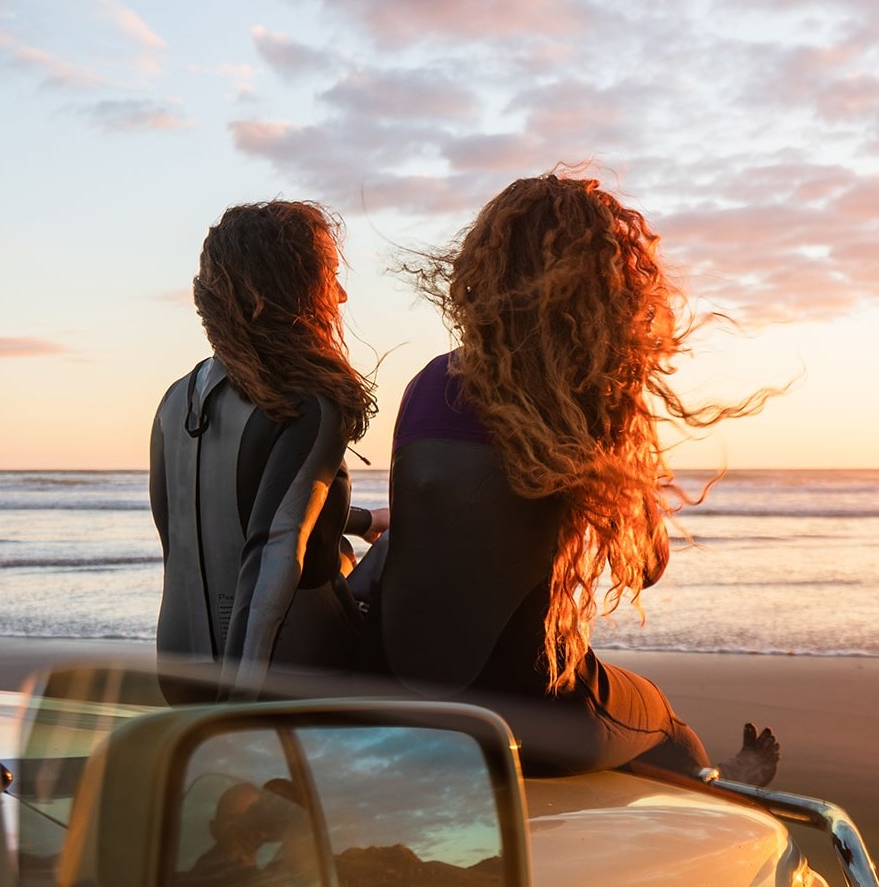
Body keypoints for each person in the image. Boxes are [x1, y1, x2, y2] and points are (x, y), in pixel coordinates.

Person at [375, 171, 779, 781]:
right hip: (534, 716)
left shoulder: (428, 382)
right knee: (666, 724)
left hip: (404, 688)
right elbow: (646, 568)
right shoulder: (584, 403)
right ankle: (726, 788)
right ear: (605, 288)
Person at [151, 200, 387, 694]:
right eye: (330, 277)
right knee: (407, 553)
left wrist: (365, 521)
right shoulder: (308, 399)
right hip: (290, 678)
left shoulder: (175, 399)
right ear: (291, 289)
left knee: (353, 549)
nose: (340, 296)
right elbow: (273, 554)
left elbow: (225, 518)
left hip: (177, 673)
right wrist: (236, 713)